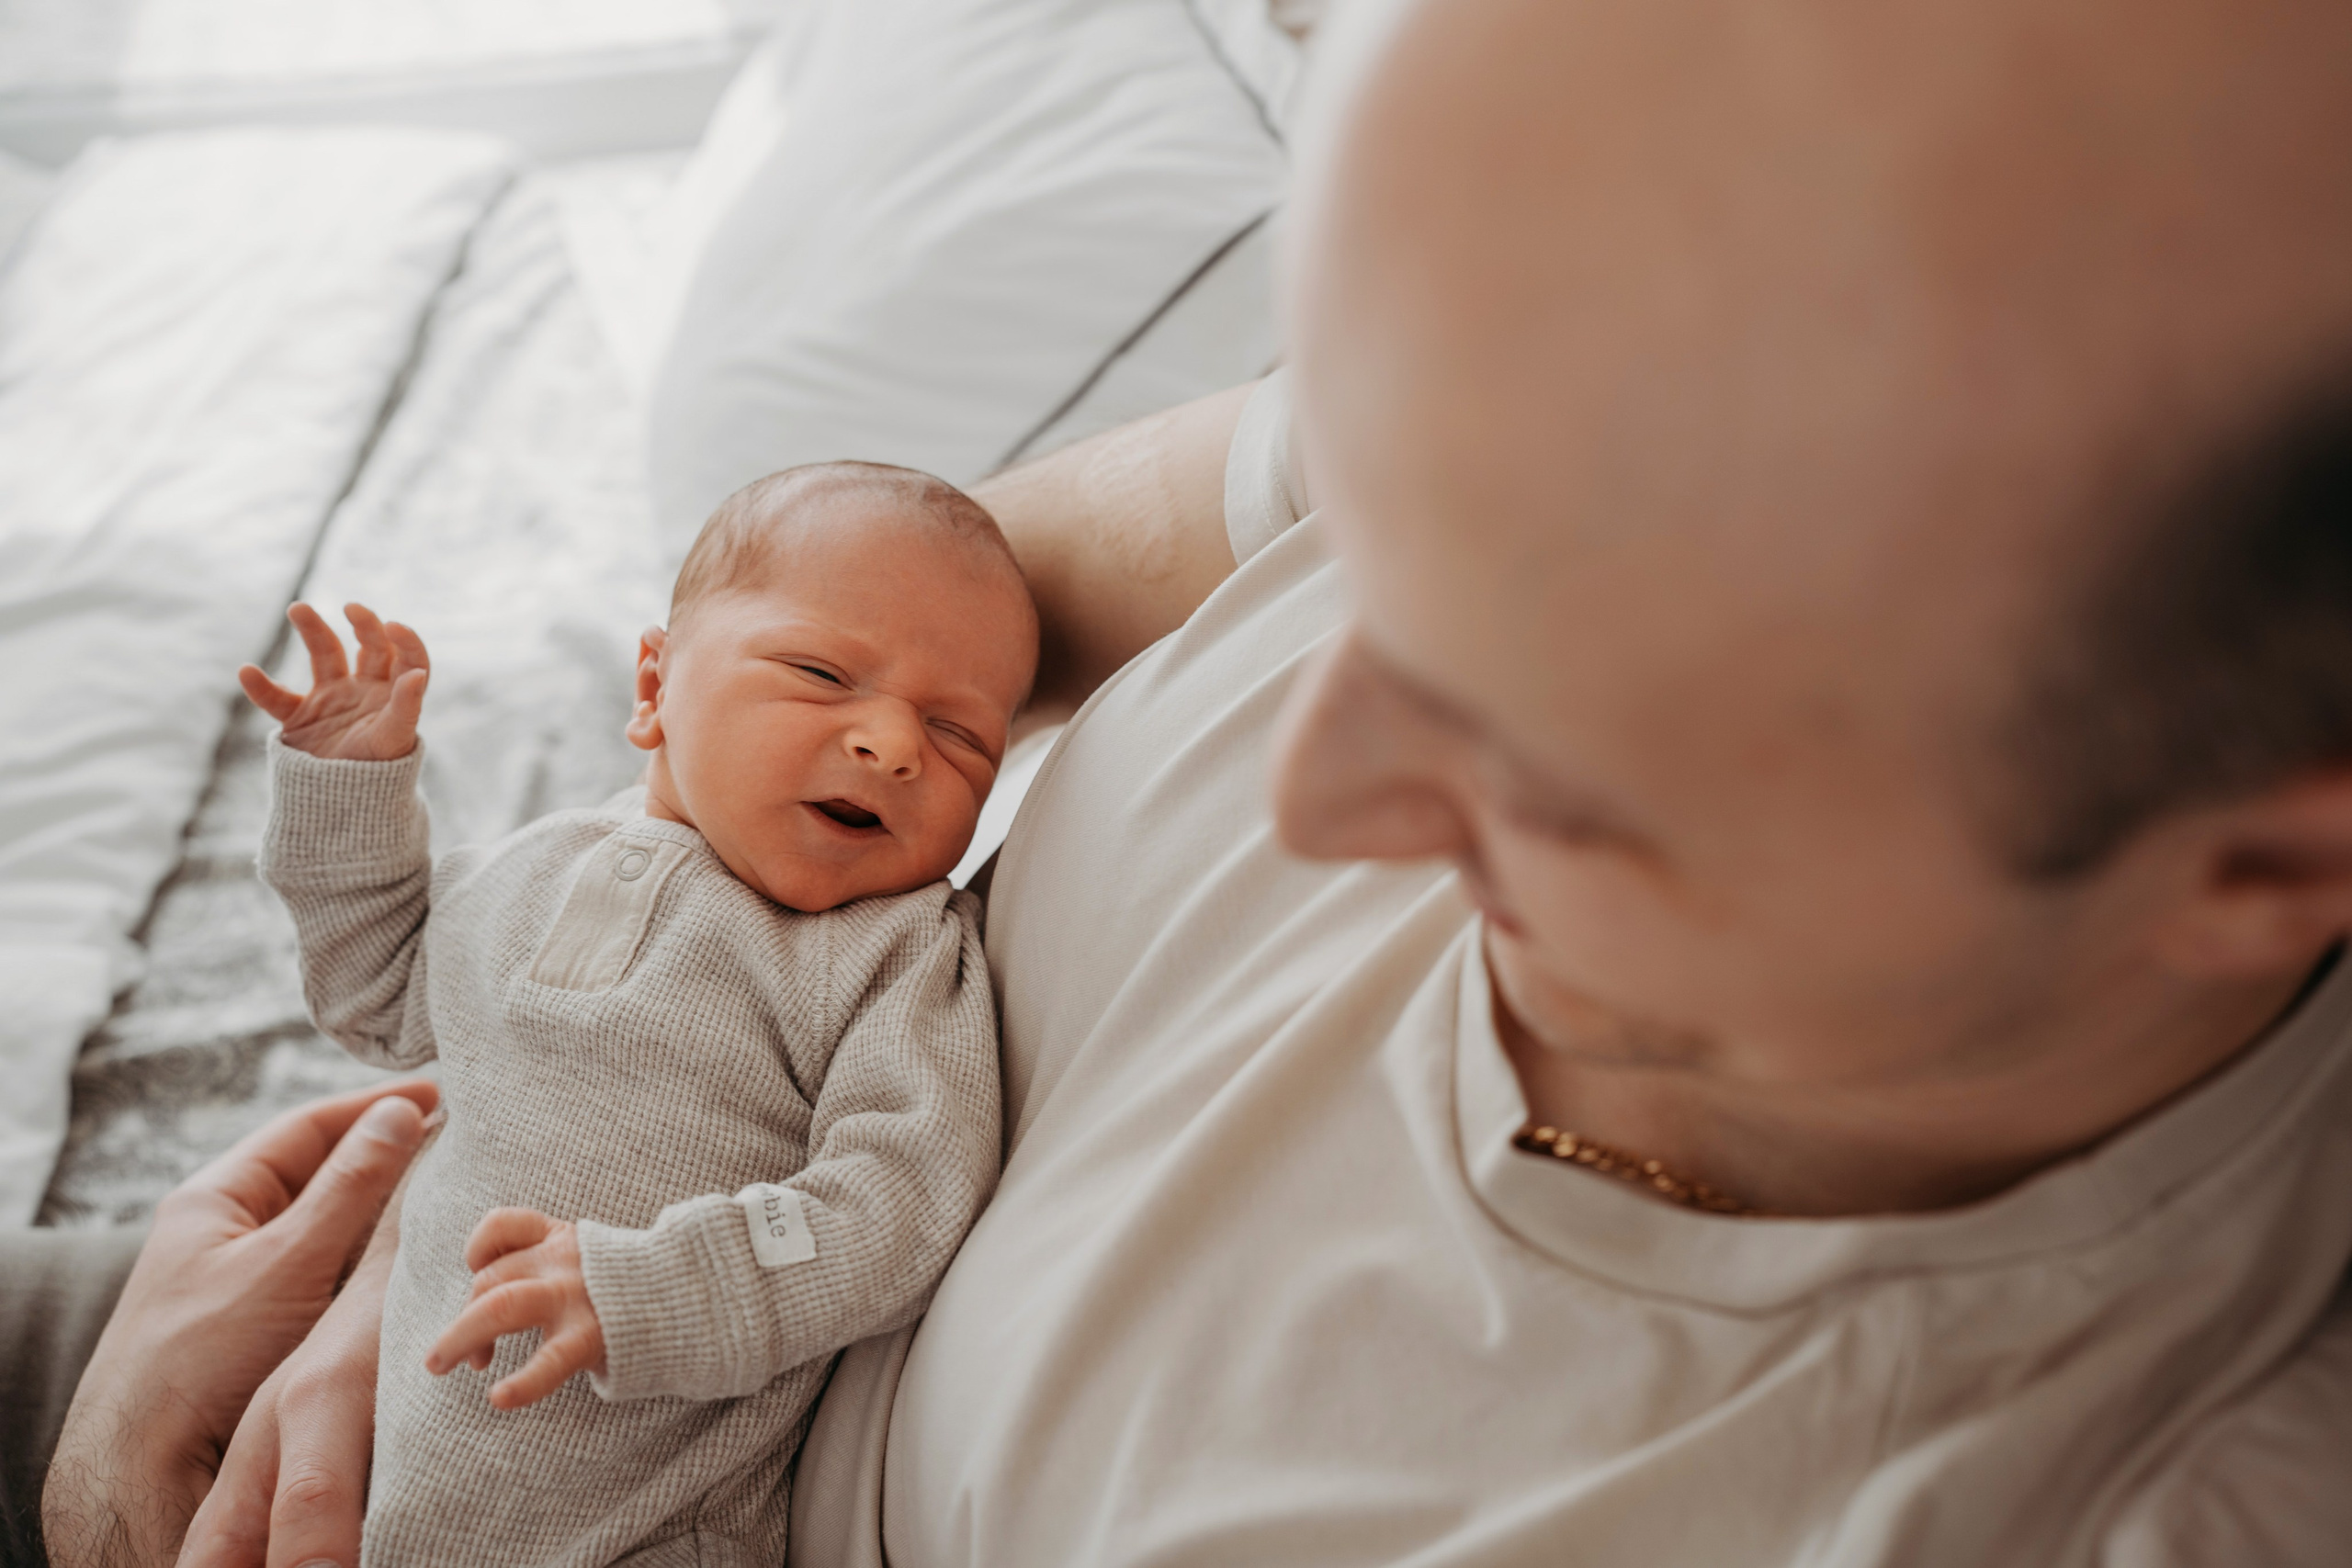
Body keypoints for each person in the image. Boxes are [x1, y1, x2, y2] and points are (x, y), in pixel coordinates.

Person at [12, 0, 2352, 1562]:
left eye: (1555, 749)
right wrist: (541, 1100)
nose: (1306, 778)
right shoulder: (1599, 393)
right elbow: (931, 571)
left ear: (2251, 859)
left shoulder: (2095, 1485)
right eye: (1364, 541)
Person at [235, 464, 1022, 1564]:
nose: (893, 744)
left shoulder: (893, 955)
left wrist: (659, 1291)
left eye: (961, 739)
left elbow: (903, 1203)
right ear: (653, 687)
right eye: (819, 671)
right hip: (398, 1500)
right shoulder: (534, 868)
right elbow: (378, 994)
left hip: (649, 1528)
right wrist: (346, 786)